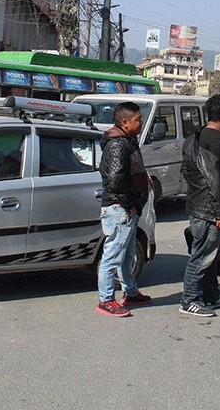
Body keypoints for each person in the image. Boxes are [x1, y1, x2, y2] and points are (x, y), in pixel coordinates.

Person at [180, 94, 220, 317]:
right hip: (209, 210)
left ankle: (210, 295)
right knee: (202, 257)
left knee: (210, 257)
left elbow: (187, 173)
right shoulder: (217, 141)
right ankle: (190, 300)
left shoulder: (195, 137)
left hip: (197, 205)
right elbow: (216, 181)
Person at [95, 102, 152, 317]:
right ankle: (106, 300)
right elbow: (116, 180)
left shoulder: (127, 141)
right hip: (120, 208)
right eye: (138, 119)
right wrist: (131, 204)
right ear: (125, 122)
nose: (141, 123)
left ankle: (130, 292)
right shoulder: (118, 144)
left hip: (127, 207)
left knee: (127, 255)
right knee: (112, 256)